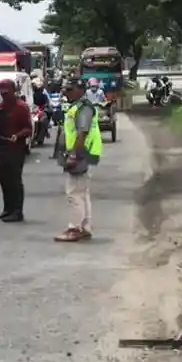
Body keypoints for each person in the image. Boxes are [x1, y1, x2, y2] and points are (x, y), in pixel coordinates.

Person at [55, 79, 102, 242]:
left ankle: (75, 228)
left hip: (83, 154)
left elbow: (82, 132)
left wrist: (74, 155)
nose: (66, 92)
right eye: (65, 89)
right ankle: (85, 227)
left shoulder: (83, 108)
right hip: (86, 154)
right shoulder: (78, 107)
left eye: (70, 89)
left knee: (74, 193)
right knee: (82, 193)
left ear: (80, 90)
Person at [0, 79, 33, 222]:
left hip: (16, 149)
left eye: (6, 93)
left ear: (14, 92)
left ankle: (17, 211)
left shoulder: (21, 107)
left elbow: (28, 129)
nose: (4, 96)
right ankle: (7, 209)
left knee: (14, 180)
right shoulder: (0, 107)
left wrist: (17, 136)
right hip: (2, 147)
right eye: (2, 93)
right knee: (4, 180)